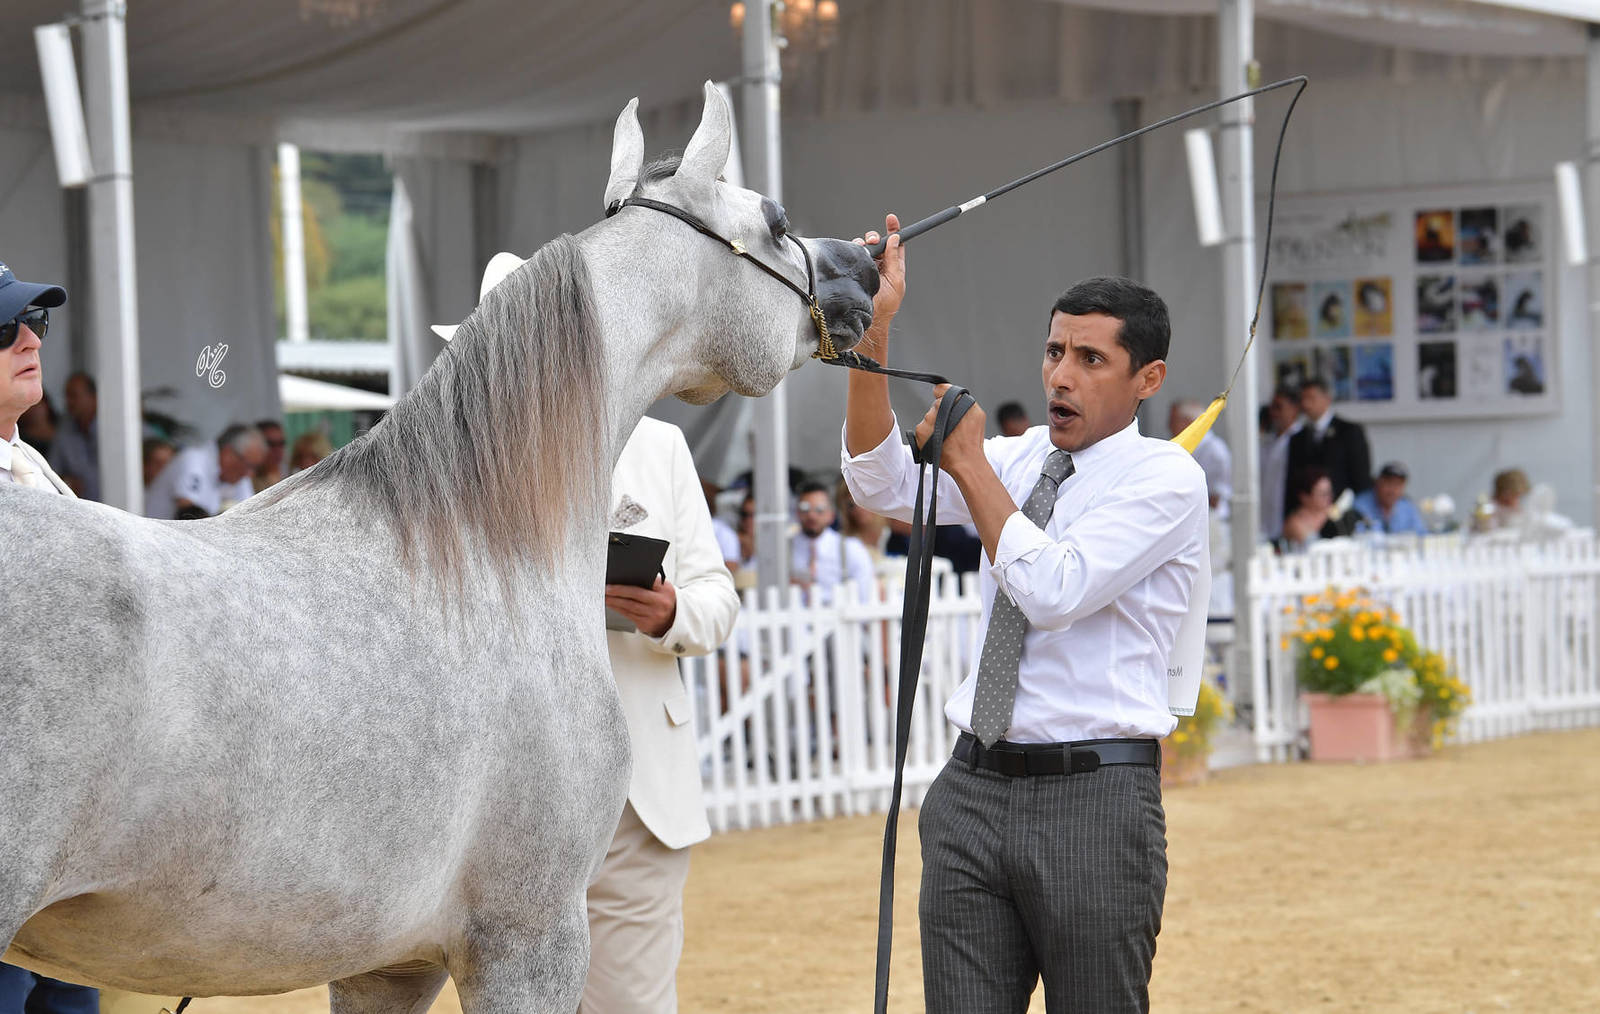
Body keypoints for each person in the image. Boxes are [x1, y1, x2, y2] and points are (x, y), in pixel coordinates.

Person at [842, 216, 1205, 1013]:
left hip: (1095, 801)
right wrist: (876, 329)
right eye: (1053, 352)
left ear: (1148, 379)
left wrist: (968, 461)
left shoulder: (1166, 480)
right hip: (971, 787)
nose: (1061, 376)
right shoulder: (1017, 459)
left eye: (1090, 359)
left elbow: (1055, 590)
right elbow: (878, 486)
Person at [584, 416, 740, 1014]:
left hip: (636, 794)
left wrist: (669, 613)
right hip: (500, 788)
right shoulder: (471, 436)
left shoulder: (660, 444)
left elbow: (717, 598)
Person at [0, 263, 100, 1013]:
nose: (30, 339)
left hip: (68, 838)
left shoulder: (32, 464)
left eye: (36, 323)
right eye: (5, 329)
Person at [144, 423, 266, 520]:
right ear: (228, 454)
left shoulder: (239, 474)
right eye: (249, 466)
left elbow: (250, 516)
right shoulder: (194, 460)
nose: (250, 474)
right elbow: (188, 515)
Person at [1285, 376, 1371, 511]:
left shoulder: (1349, 431)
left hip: (1342, 511)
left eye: (1311, 398)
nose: (1306, 404)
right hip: (1308, 514)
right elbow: (1292, 481)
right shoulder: (1297, 438)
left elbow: (1361, 478)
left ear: (1327, 399)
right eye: (1303, 399)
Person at [790, 479, 876, 606]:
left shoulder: (851, 548)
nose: (812, 516)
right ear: (797, 513)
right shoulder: (783, 550)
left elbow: (865, 596)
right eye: (805, 509)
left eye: (819, 510)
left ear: (831, 515)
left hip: (840, 622)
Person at [1169, 398, 1231, 517]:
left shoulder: (1214, 450)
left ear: (1188, 422)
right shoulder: (1183, 447)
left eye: (1173, 421)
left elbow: (1216, 497)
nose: (1169, 425)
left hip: (1210, 520)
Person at [1276, 465, 1358, 553]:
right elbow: (1311, 548)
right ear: (1304, 497)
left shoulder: (1333, 513)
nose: (1329, 498)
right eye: (1323, 494)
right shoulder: (1295, 523)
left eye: (1329, 492)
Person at [1259, 385, 1302, 541]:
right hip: (1266, 517)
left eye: (1279, 407)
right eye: (1272, 407)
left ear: (1294, 408)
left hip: (1287, 517)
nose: (1274, 413)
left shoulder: (1302, 439)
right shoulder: (1269, 440)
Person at [49, 371, 99, 501]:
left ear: (94, 397)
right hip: (83, 512)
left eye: (73, 396)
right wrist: (67, 482)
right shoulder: (64, 432)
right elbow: (51, 475)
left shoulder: (116, 429)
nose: (68, 402)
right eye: (67, 396)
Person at [1352, 462, 1427, 535]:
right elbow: (1357, 535)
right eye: (1389, 483)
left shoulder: (1407, 507)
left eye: (1398, 485)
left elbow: (1422, 534)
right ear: (1378, 483)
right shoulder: (1360, 505)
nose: (1392, 490)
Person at [17, 390, 57, 460]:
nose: (32, 409)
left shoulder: (64, 427)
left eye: (36, 403)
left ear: (45, 403)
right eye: (27, 405)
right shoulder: (19, 441)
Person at [252, 418, 287, 492]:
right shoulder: (245, 480)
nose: (277, 450)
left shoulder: (288, 475)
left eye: (281, 443)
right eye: (271, 444)